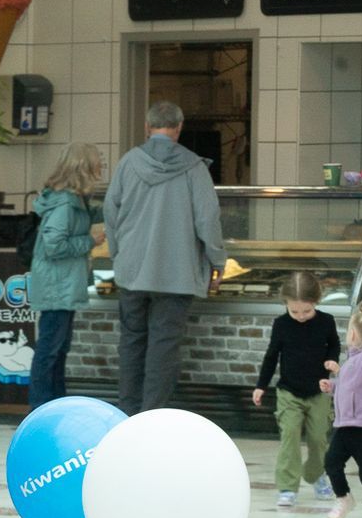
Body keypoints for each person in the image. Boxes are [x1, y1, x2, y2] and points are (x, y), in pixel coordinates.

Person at [104, 101, 227, 413]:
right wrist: (218, 261)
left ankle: (127, 412)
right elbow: (207, 219)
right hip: (177, 275)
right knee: (164, 345)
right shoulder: (194, 167)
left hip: (132, 271)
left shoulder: (128, 163)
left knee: (131, 342)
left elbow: (110, 211)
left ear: (147, 127)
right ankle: (153, 414)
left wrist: (119, 254)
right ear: (179, 127)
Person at [26, 143, 106, 411]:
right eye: (96, 164)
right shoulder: (64, 204)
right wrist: (89, 241)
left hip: (61, 285)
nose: (100, 169)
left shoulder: (73, 201)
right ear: (84, 168)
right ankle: (41, 406)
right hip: (56, 287)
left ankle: (55, 405)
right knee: (50, 350)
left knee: (58, 349)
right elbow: (54, 245)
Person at [252, 271, 339, 508]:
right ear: (286, 305)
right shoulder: (281, 325)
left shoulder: (326, 321)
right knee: (289, 436)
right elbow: (271, 356)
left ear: (316, 302)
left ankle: (317, 474)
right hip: (288, 391)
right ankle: (288, 487)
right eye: (294, 311)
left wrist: (332, 362)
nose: (300, 316)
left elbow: (334, 345)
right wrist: (261, 386)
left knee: (318, 438)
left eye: (306, 311)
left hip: (319, 391)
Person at [320, 302, 362, 518]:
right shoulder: (351, 360)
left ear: (355, 334)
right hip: (345, 425)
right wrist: (334, 385)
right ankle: (344, 497)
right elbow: (350, 387)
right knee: (331, 462)